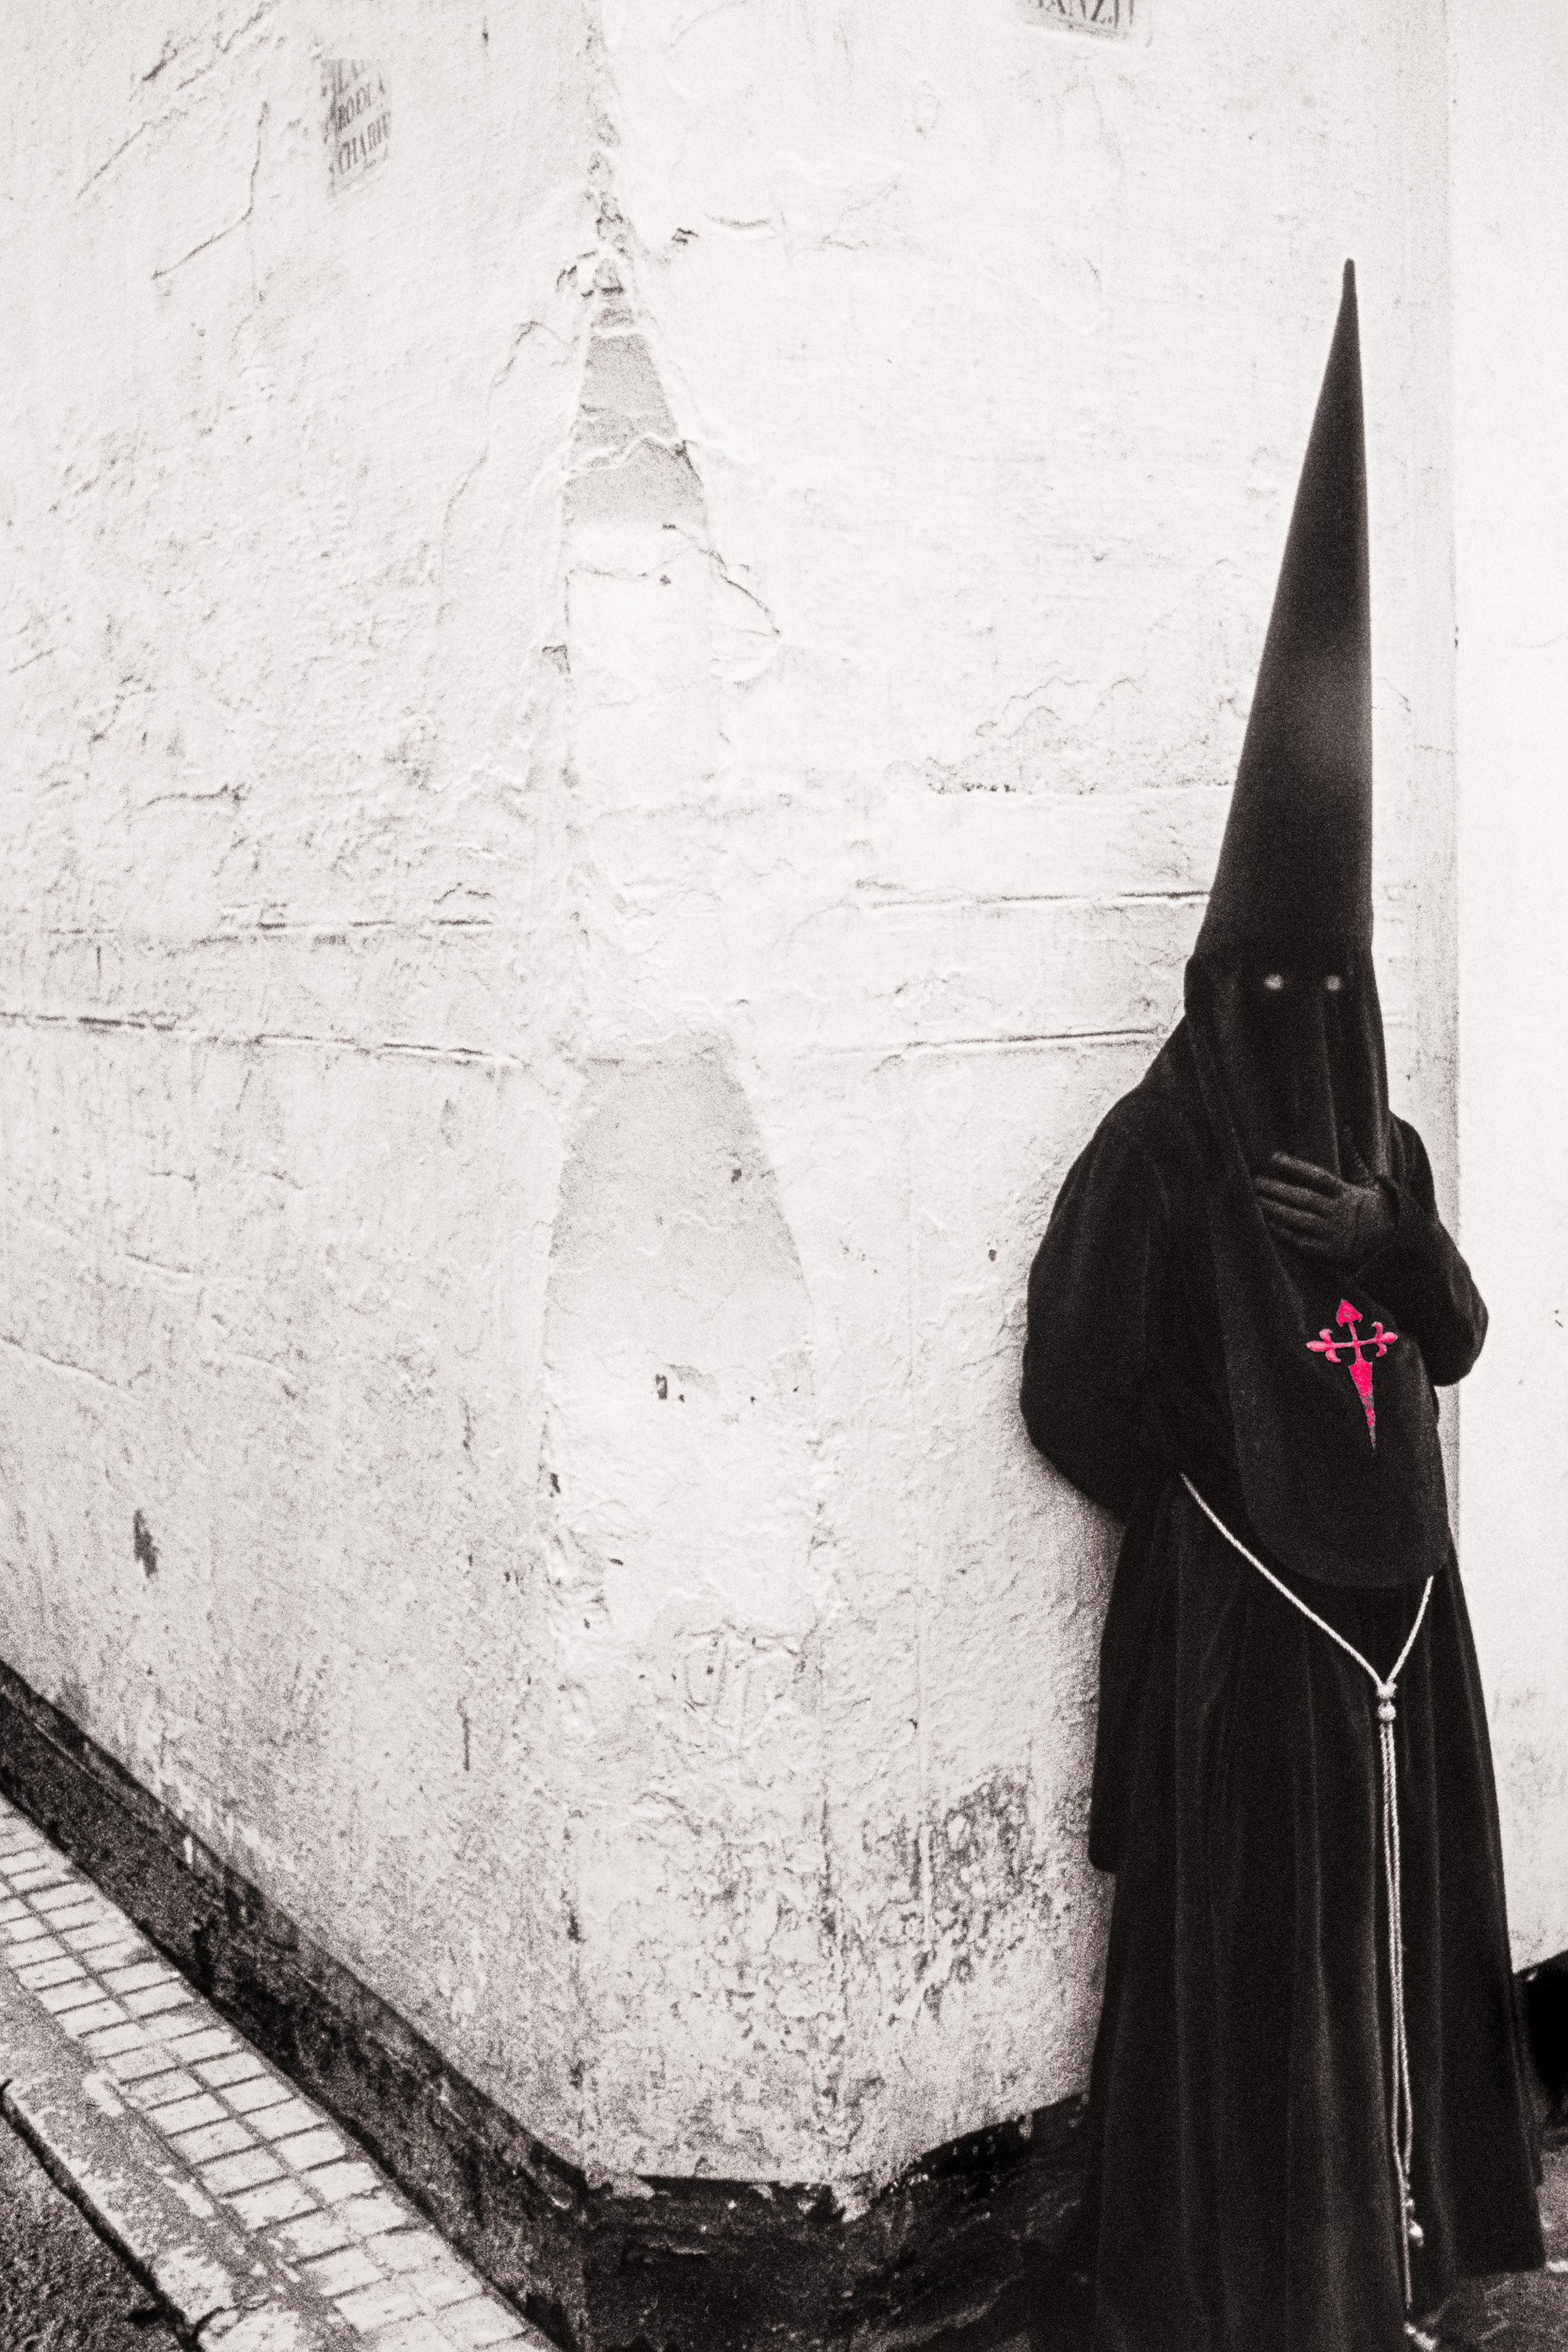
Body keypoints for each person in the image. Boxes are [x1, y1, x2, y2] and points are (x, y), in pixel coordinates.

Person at [1020, 264, 1543, 2352]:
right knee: (1258, 1996)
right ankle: (1258, 2279)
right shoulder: (1158, 1155)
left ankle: (1406, 2256)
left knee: (1398, 1974)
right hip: (1254, 1656)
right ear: (1222, 980)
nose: (1308, 1025)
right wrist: (1224, 1533)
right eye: (1277, 993)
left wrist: (1386, 1257)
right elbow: (1076, 1394)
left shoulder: (1381, 1146)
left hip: (1407, 1631)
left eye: (1336, 993)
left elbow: (1466, 1336)